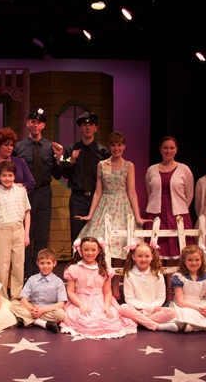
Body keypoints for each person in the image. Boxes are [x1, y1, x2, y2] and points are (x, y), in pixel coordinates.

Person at [75, 131, 146, 300]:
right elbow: (98, 191)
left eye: (120, 145)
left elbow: (132, 191)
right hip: (105, 205)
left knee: (121, 244)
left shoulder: (129, 166)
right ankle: (103, 281)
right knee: (102, 242)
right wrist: (90, 214)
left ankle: (116, 284)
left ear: (124, 146)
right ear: (110, 147)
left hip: (122, 206)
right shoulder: (102, 165)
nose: (116, 148)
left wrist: (138, 216)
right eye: (113, 145)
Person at [13, 108, 63, 277]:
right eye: (33, 121)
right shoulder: (19, 147)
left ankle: (40, 274)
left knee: (41, 234)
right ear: (28, 123)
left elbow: (57, 174)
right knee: (25, 235)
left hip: (44, 193)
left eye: (39, 122)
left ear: (43, 125)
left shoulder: (51, 147)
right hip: (24, 195)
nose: (35, 125)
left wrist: (58, 157)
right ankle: (26, 275)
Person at [145, 136, 195, 301]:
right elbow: (149, 191)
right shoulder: (152, 169)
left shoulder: (184, 169)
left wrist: (178, 209)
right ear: (160, 150)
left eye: (171, 148)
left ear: (176, 149)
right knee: (156, 256)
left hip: (177, 216)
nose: (168, 151)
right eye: (165, 148)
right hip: (156, 214)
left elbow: (189, 194)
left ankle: (172, 292)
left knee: (175, 257)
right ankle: (157, 293)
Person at [59, 236, 137, 339]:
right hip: (80, 300)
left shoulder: (104, 269)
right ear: (80, 250)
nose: (90, 253)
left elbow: (108, 292)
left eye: (93, 250)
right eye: (86, 250)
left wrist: (106, 306)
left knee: (108, 319)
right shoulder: (74, 269)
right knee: (85, 320)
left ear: (98, 251)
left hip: (100, 301)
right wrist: (81, 305)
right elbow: (70, 292)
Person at [0, 127, 35, 265]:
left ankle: (13, 284)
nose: (10, 148)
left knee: (16, 258)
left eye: (12, 145)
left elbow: (31, 183)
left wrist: (19, 186)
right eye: (6, 144)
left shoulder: (19, 162)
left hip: (14, 214)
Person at [61, 112, 111, 243]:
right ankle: (76, 262)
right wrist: (71, 161)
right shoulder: (72, 149)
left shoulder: (103, 152)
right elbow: (64, 173)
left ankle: (95, 263)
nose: (88, 127)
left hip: (97, 197)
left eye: (91, 125)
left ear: (96, 128)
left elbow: (108, 177)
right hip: (78, 198)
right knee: (77, 235)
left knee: (97, 233)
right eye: (84, 125)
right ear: (80, 128)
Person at [0, 161, 31, 300]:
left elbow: (27, 212)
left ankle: (16, 297)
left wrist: (26, 235)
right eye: (4, 175)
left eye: (10, 175)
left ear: (14, 176)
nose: (7, 178)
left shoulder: (21, 192)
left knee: (18, 265)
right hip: (3, 231)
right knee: (2, 266)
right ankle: (2, 298)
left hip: (19, 230)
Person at [117, 241, 179, 332]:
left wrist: (150, 310)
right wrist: (148, 308)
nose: (143, 259)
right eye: (140, 256)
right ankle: (157, 326)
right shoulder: (129, 275)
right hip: (137, 310)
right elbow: (130, 299)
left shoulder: (158, 274)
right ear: (134, 257)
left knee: (173, 312)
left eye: (147, 256)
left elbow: (161, 297)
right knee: (123, 308)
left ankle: (139, 322)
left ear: (152, 257)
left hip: (154, 310)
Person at [11, 248, 67, 333]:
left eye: (48, 263)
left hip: (48, 310)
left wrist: (42, 311)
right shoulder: (32, 279)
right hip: (33, 308)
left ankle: (26, 320)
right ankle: (43, 323)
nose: (45, 266)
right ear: (37, 263)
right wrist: (31, 309)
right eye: (42, 263)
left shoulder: (58, 282)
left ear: (54, 263)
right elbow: (23, 298)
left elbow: (61, 303)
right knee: (13, 305)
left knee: (60, 314)